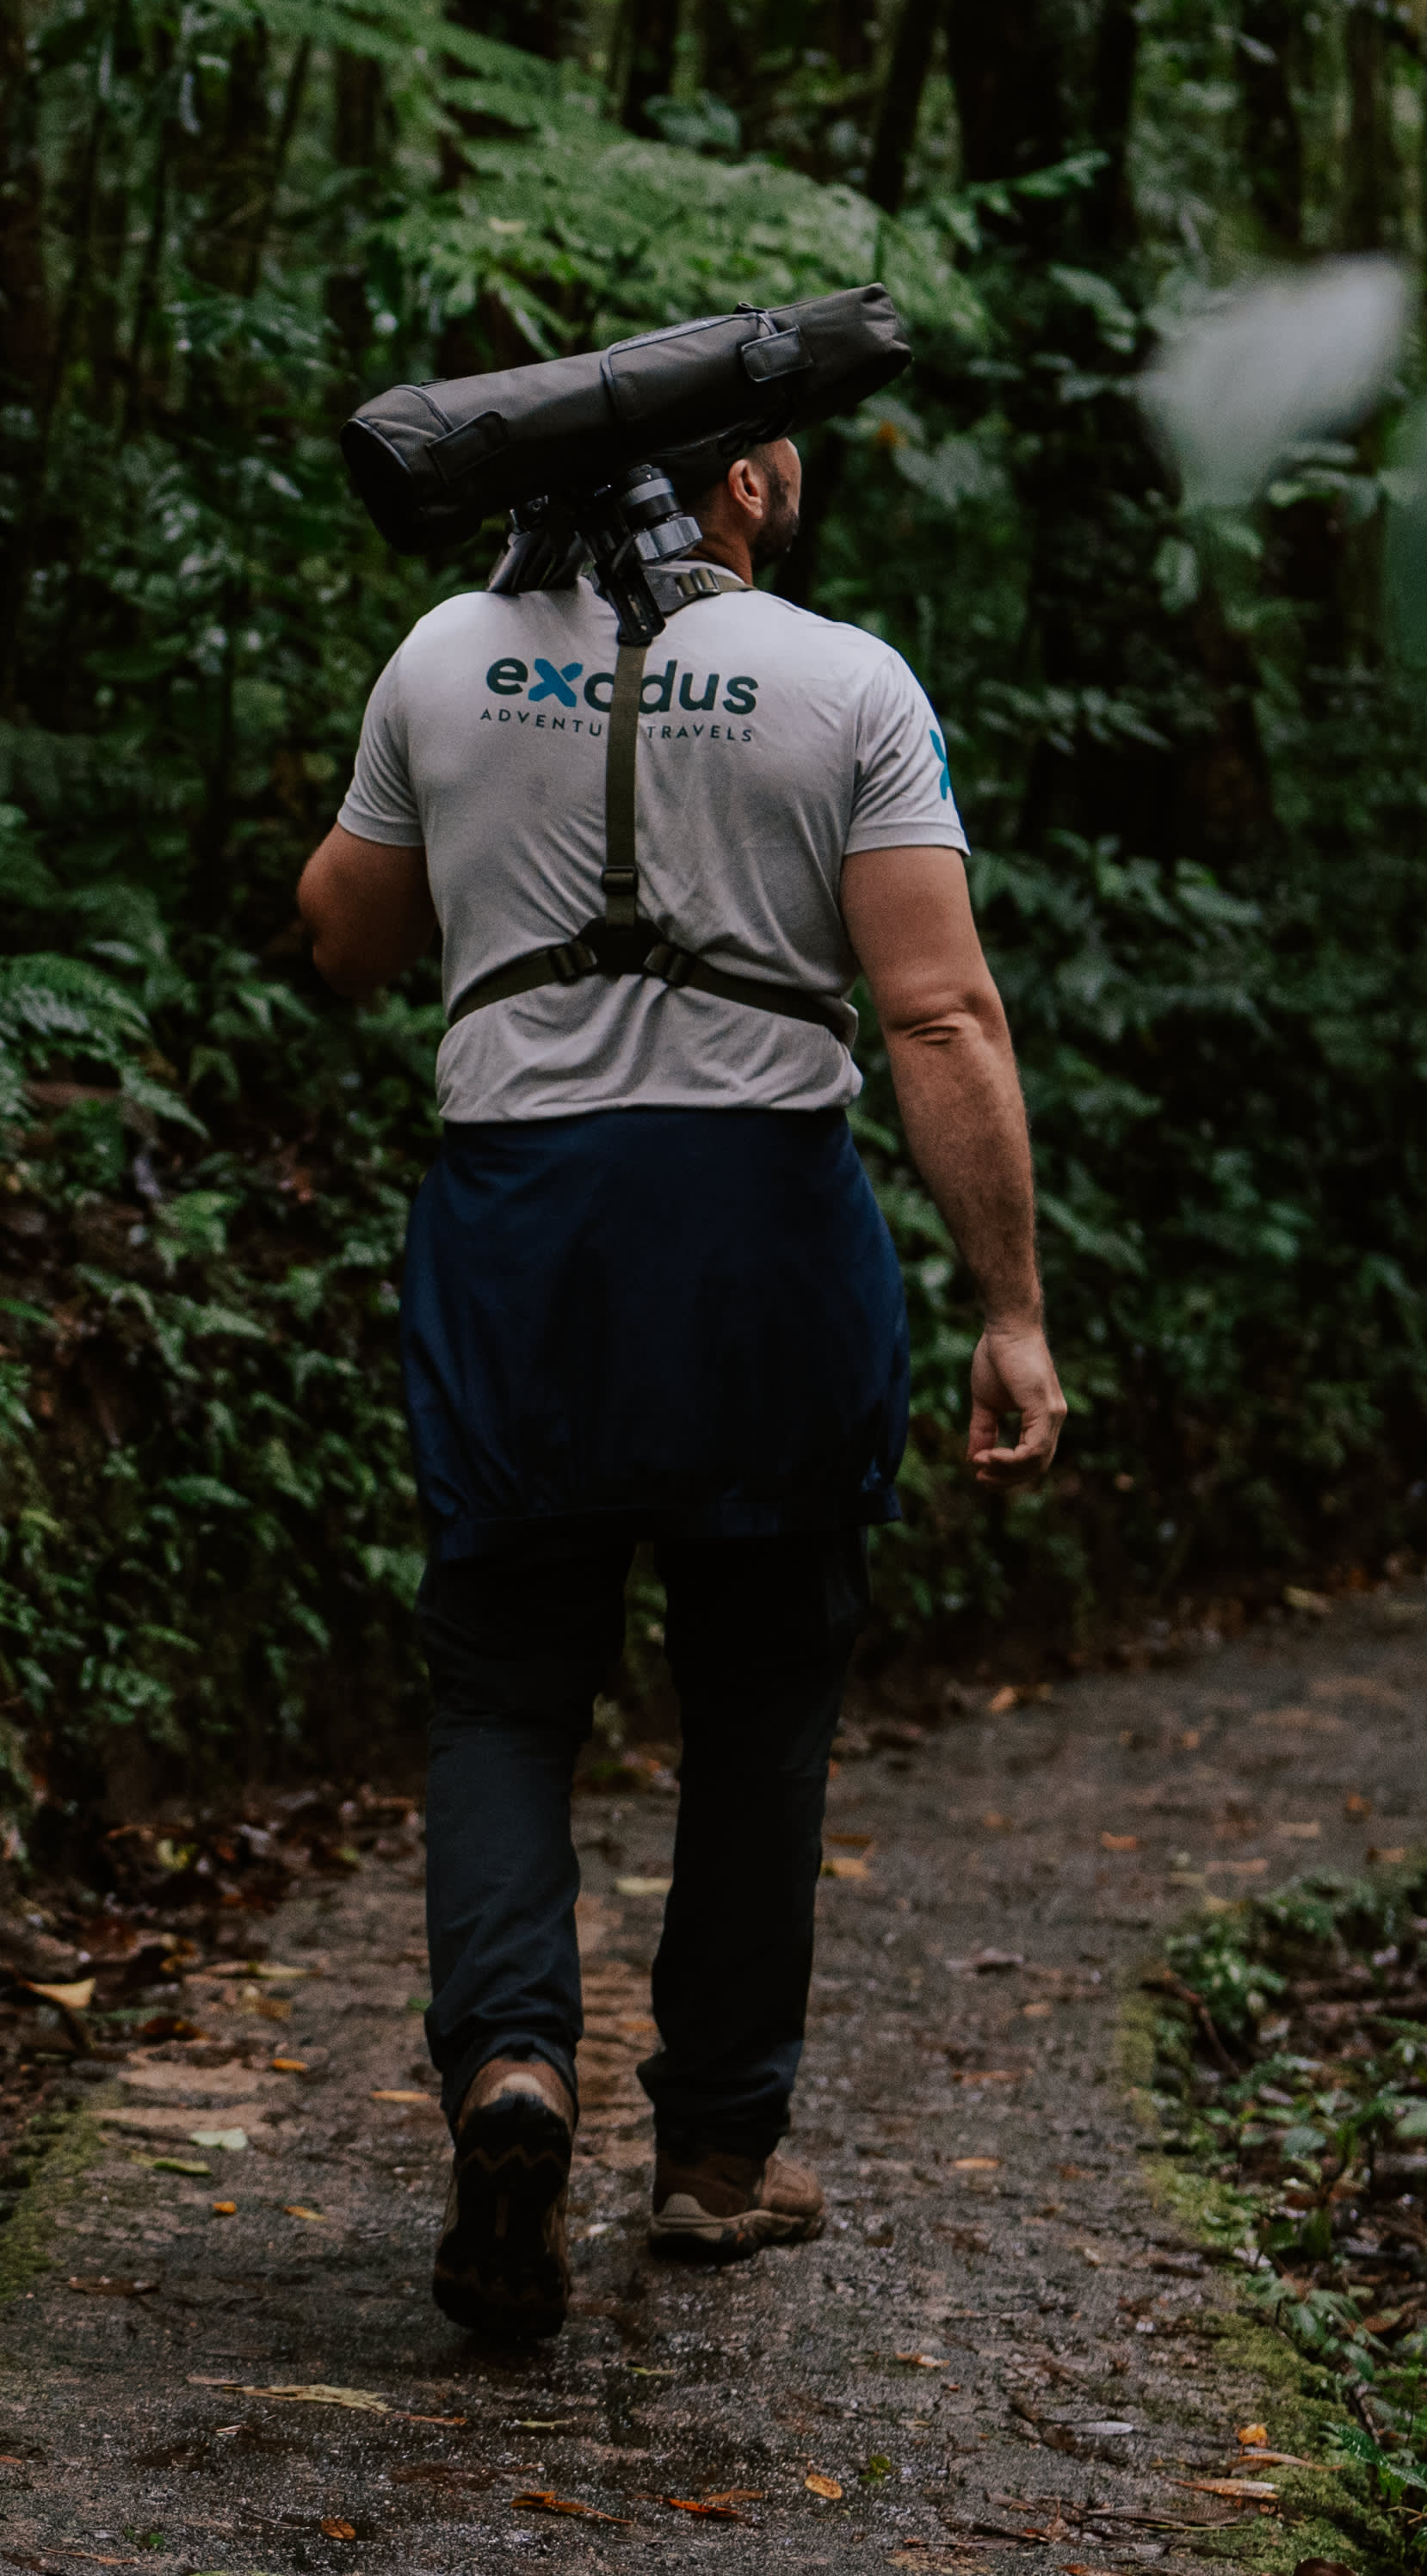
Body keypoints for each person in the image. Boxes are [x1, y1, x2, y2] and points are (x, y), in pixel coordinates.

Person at [294, 417, 1063, 2341]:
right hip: (761, 1239)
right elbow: (940, 1012)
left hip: (524, 1232)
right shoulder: (847, 681)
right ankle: (718, 2153)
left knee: (504, 1684)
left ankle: (513, 2066)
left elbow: (342, 938)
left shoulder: (443, 653)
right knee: (759, 1698)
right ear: (747, 482)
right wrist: (1012, 1307)